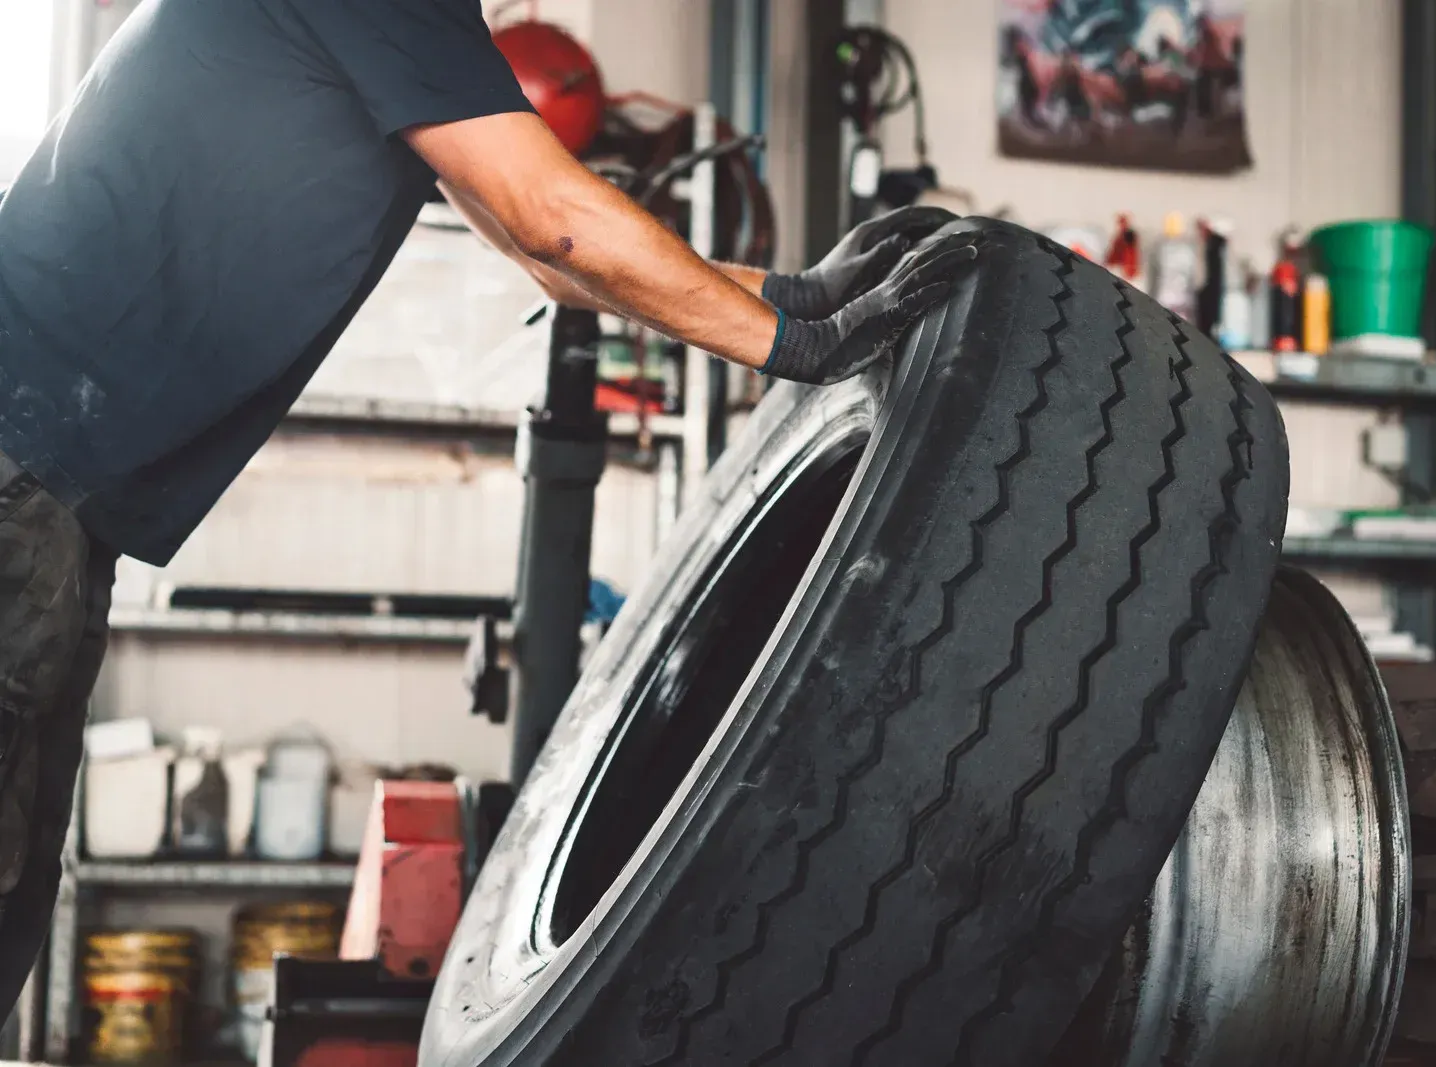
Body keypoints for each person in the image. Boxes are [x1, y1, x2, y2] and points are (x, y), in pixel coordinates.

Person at [0, 0, 981, 1013]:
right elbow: (550, 216)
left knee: (19, 872)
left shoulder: (419, 33)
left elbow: (549, 262)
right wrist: (797, 349)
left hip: (54, 493)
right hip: (16, 468)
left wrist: (793, 296)